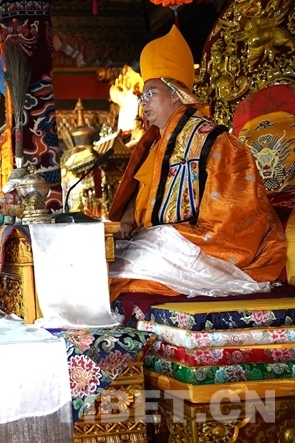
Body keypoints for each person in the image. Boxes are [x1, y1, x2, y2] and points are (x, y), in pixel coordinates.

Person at [108, 25, 287, 298]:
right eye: (142, 96)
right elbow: (142, 193)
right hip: (157, 240)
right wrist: (128, 219)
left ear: (175, 94)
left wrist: (170, 234)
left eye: (151, 93)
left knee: (132, 261)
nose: (143, 102)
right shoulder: (155, 144)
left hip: (206, 245)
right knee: (107, 259)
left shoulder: (215, 142)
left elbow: (235, 214)